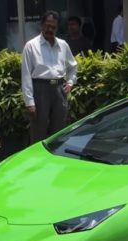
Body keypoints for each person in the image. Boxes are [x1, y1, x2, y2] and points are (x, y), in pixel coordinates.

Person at [21, 10, 78, 144]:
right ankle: (37, 161)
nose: (49, 29)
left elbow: (73, 66)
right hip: (40, 90)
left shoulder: (63, 45)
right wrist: (29, 102)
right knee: (38, 130)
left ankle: (56, 161)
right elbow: (26, 75)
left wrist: (70, 83)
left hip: (59, 90)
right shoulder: (31, 46)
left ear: (57, 27)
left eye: (53, 26)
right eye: (47, 25)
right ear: (41, 25)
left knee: (59, 130)